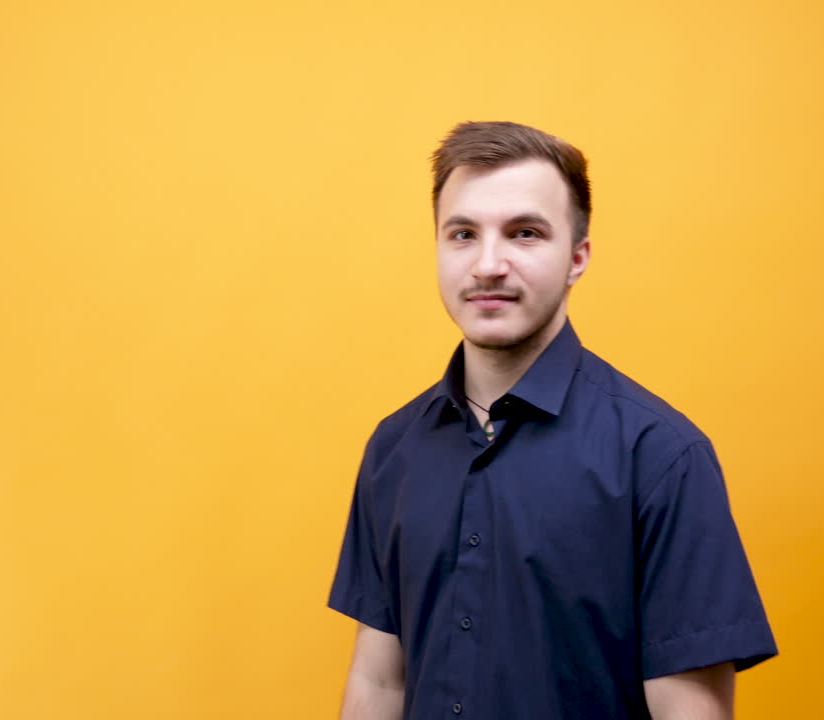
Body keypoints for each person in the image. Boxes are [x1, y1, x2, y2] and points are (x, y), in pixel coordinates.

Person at [327, 121, 778, 719]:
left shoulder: (661, 457)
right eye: (463, 234)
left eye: (525, 233)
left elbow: (687, 711)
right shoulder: (394, 448)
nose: (489, 265)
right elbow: (380, 682)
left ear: (577, 257)